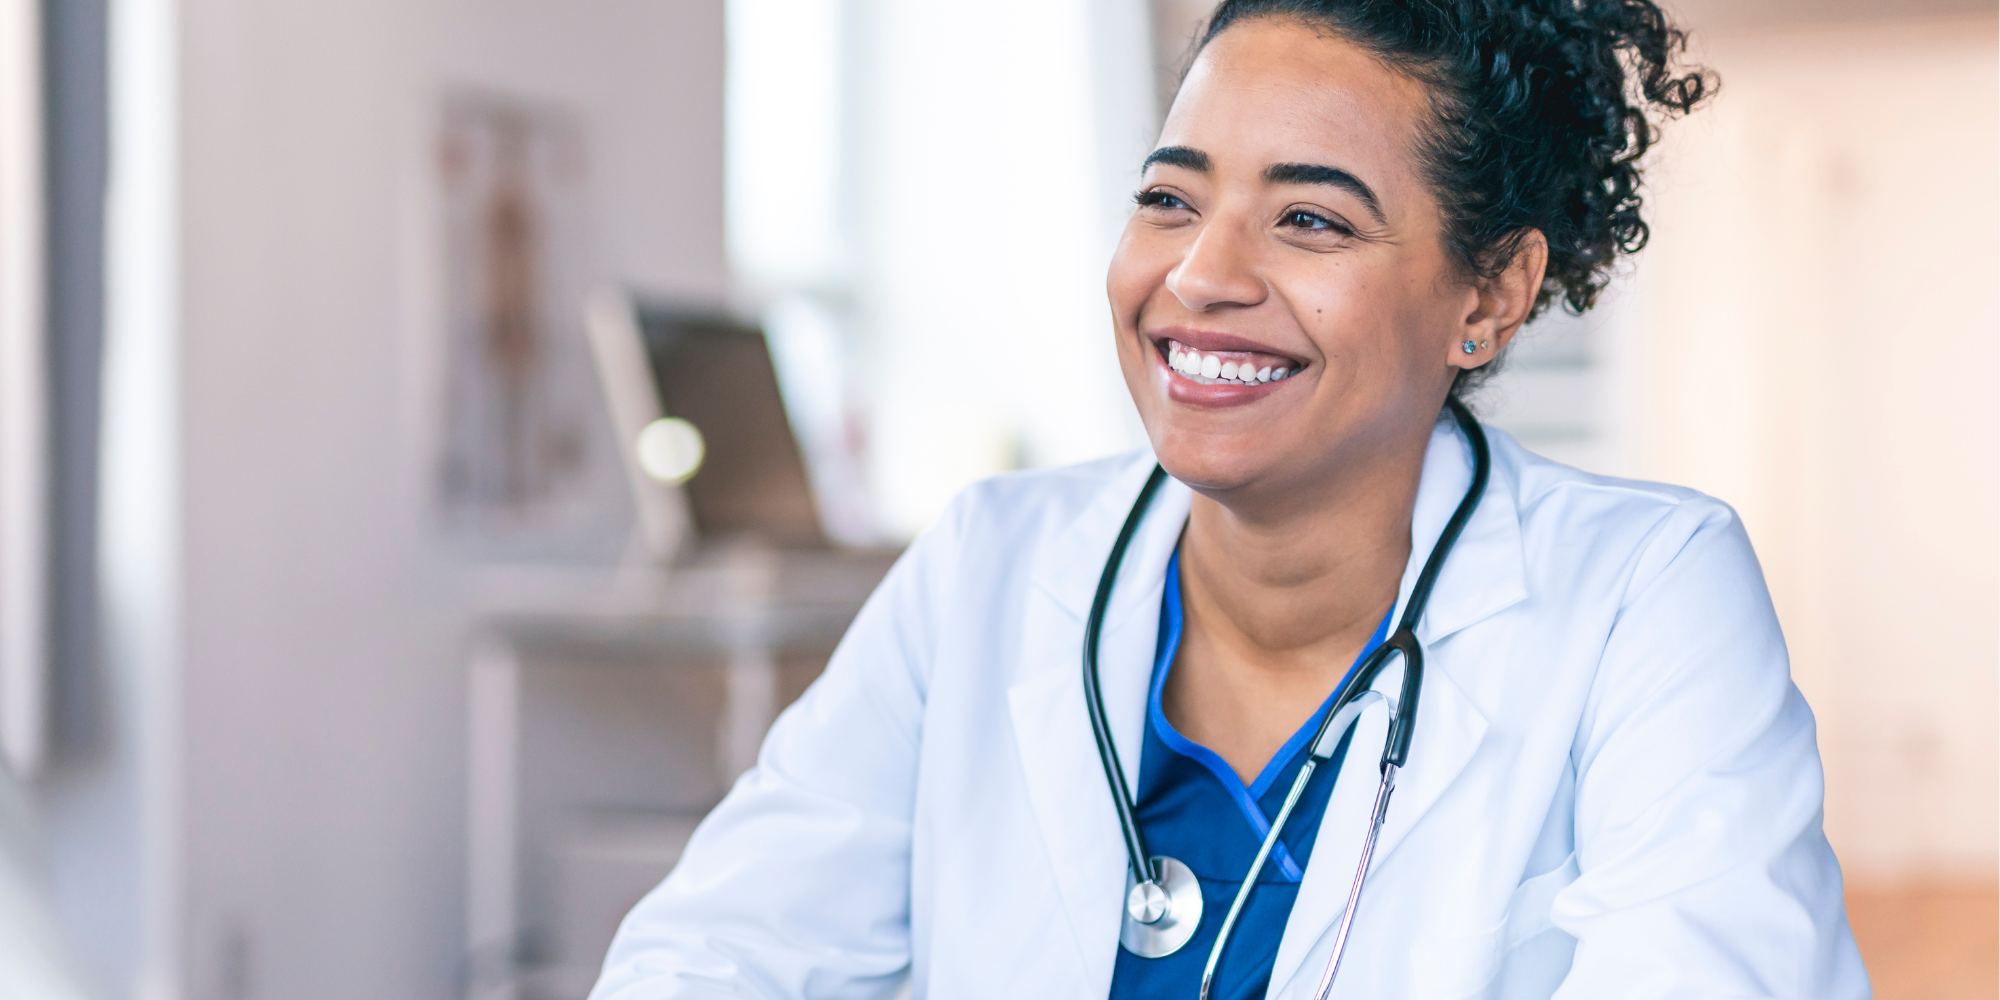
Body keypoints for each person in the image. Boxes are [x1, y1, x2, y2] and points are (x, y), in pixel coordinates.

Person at [591, 1, 1870, 997]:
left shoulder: (1643, 593)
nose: (1199, 275)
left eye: (1308, 219)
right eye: (1168, 198)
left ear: (1487, 294)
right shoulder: (987, 564)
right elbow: (712, 955)